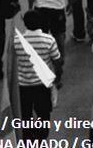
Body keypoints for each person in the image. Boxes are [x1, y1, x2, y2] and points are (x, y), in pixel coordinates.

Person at [14, 10, 62, 139]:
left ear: (25, 24)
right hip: (42, 85)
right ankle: (41, 139)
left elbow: (12, 65)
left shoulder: (17, 41)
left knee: (25, 115)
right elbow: (57, 61)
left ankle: (28, 139)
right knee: (43, 114)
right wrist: (58, 79)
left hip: (23, 85)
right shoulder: (49, 40)